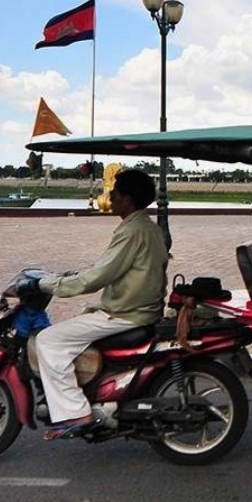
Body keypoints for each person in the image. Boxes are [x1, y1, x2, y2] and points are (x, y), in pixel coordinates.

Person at [15, 169, 168, 439]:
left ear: (128, 200)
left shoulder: (133, 230)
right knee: (76, 325)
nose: (110, 198)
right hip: (137, 309)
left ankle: (75, 412)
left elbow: (96, 278)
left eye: (115, 193)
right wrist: (67, 277)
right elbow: (109, 267)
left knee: (49, 340)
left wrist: (44, 285)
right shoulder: (146, 227)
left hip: (125, 314)